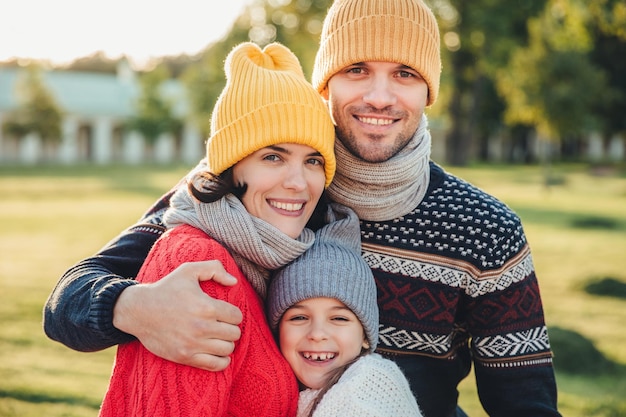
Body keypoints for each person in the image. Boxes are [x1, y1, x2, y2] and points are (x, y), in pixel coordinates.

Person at [44, 0, 562, 416]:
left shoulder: (483, 228)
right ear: (325, 85)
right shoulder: (261, 193)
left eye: (404, 73)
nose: (380, 96)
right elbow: (66, 301)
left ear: (429, 90)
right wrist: (129, 307)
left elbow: (526, 404)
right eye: (357, 69)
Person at [97, 40, 337, 416]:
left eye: (313, 161)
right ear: (230, 167)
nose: (298, 182)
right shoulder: (201, 266)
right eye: (273, 157)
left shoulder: (279, 260)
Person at [267, 203, 423, 417]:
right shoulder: (290, 392)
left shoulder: (367, 385)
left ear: (366, 336)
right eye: (299, 317)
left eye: (339, 318)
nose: (318, 334)